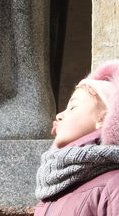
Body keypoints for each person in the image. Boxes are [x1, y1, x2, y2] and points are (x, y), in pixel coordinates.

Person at [34, 60, 119, 215]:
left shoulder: (114, 185)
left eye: (73, 107)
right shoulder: (51, 190)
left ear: (103, 118)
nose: (59, 115)